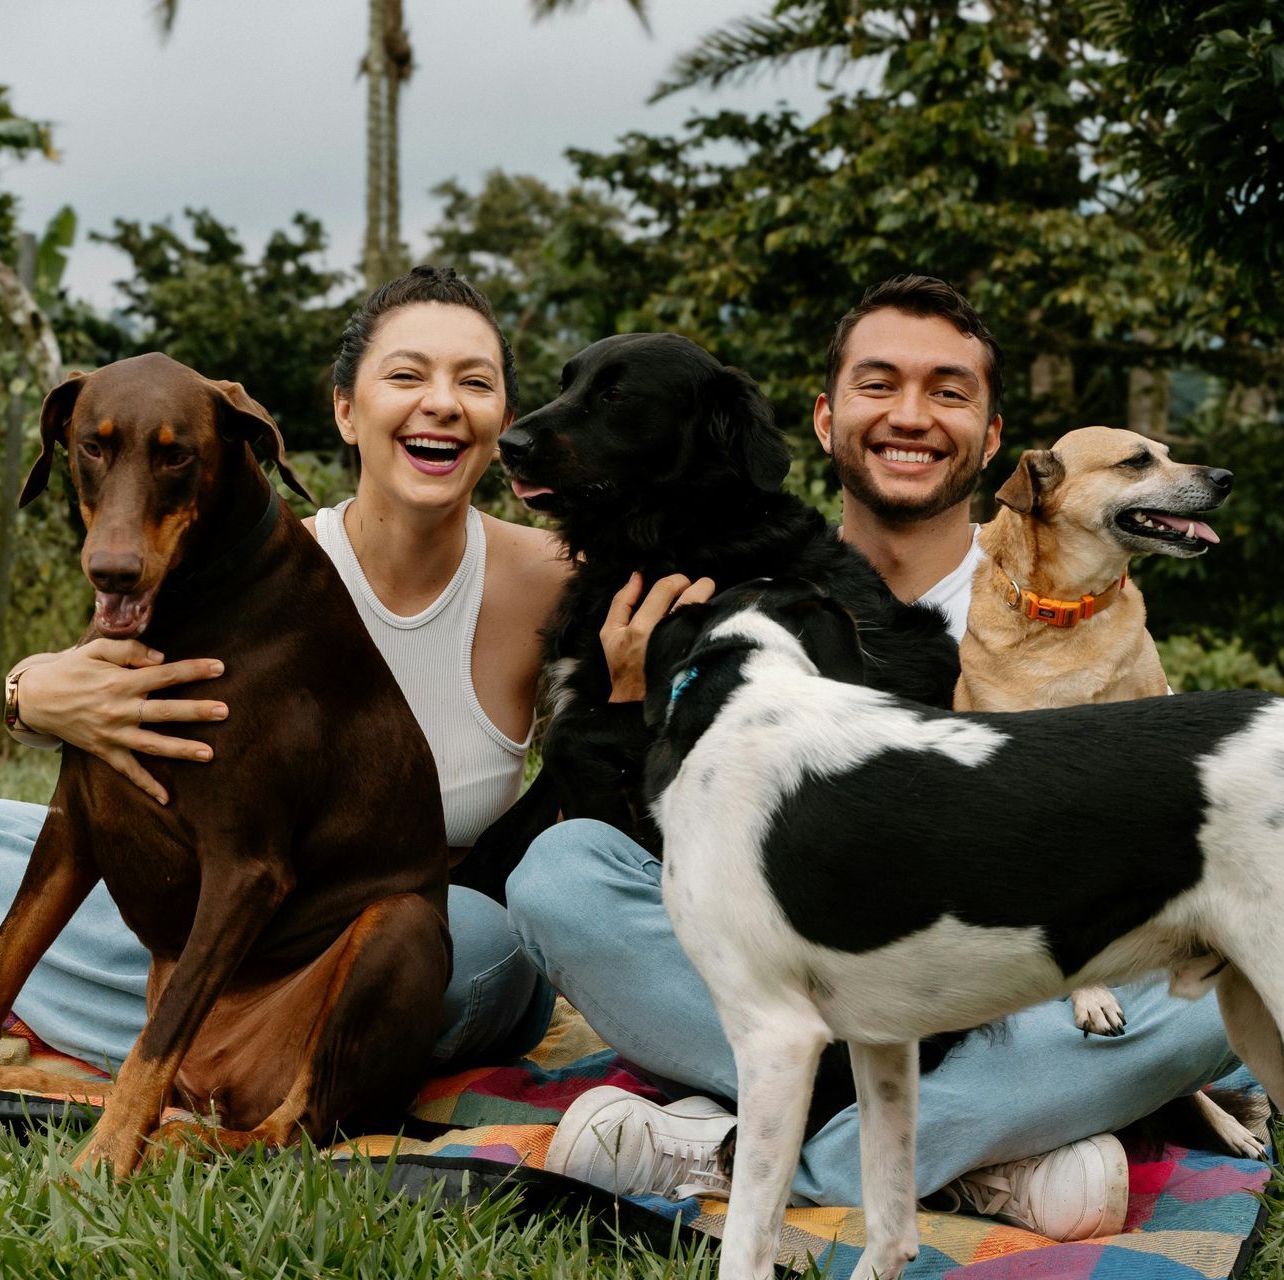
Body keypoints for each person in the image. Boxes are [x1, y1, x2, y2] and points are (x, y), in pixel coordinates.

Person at [509, 275, 1241, 1242]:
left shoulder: (1065, 611)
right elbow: (677, 863)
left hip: (989, 975)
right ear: (823, 418)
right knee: (560, 877)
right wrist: (644, 712)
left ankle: (745, 1154)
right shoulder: (734, 586)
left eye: (947, 391)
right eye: (877, 384)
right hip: (778, 959)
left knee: (1209, 1003)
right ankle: (988, 1150)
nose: (910, 415)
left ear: (991, 440)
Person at [0, 266, 572, 1076]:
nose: (441, 401)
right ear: (345, 410)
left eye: (475, 380)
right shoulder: (257, 568)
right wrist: (31, 694)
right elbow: (99, 730)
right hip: (205, 904)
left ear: (502, 415)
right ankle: (208, 1043)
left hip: (364, 941)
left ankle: (93, 1017)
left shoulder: (556, 577)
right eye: (406, 375)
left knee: (482, 948)